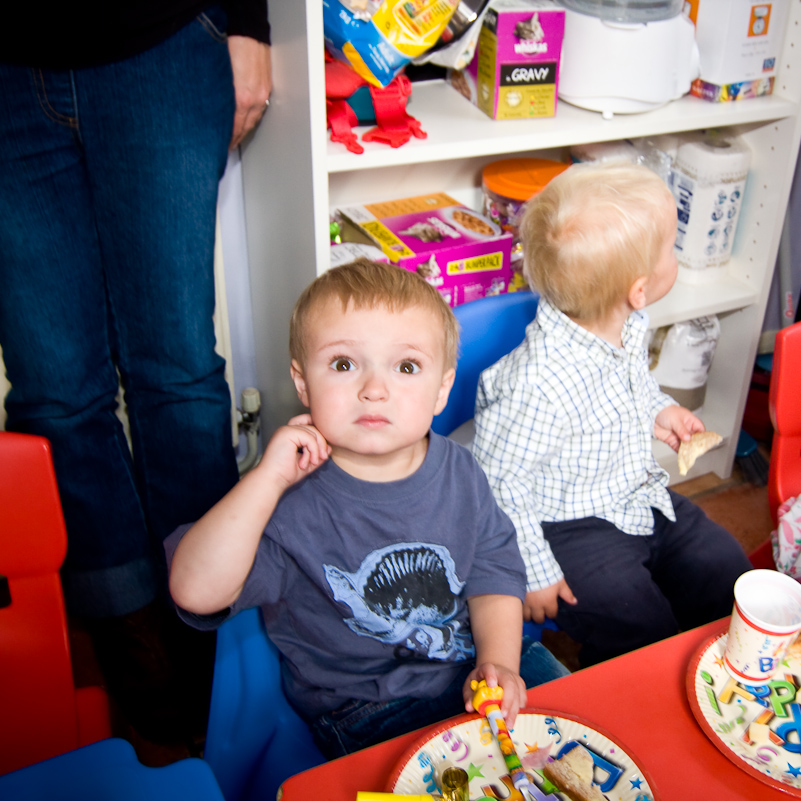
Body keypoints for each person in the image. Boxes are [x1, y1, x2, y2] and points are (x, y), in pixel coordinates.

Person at [0, 2, 272, 754]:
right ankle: (139, 665)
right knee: (53, 398)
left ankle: (211, 644)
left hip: (162, 40)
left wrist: (249, 24)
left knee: (177, 373)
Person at [166, 259, 569, 759]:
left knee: (582, 738)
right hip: (369, 706)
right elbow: (194, 590)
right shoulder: (289, 501)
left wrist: (499, 662)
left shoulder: (462, 471)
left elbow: (493, 571)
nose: (374, 389)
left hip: (478, 666)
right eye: (343, 364)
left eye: (405, 367)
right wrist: (265, 481)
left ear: (441, 389)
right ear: (302, 382)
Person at [471, 162, 753, 668]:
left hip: (634, 493)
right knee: (637, 625)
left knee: (724, 570)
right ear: (639, 288)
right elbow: (498, 483)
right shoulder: (536, 384)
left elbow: (628, 385)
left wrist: (657, 409)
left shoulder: (624, 321)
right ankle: (643, 689)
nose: (676, 256)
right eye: (670, 248)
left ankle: (715, 670)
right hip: (566, 525)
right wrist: (533, 571)